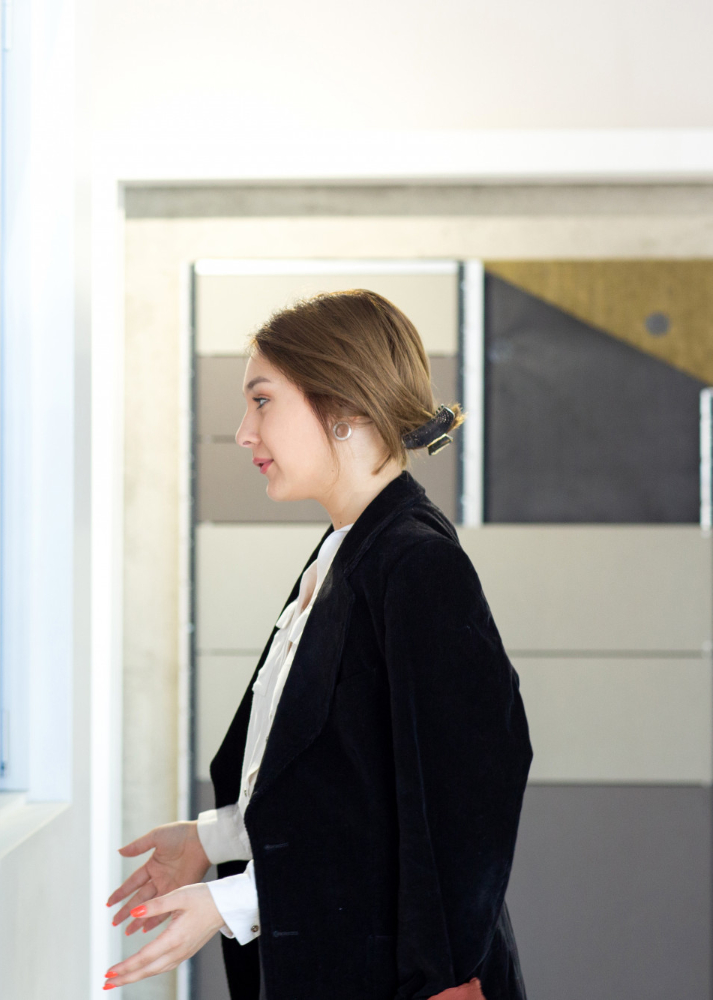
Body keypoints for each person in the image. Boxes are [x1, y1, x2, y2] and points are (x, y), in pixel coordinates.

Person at [103, 290, 532, 999]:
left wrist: (229, 902)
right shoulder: (343, 554)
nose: (244, 432)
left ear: (345, 408)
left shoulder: (418, 565)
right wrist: (210, 841)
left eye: (262, 400)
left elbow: (463, 806)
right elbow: (343, 794)